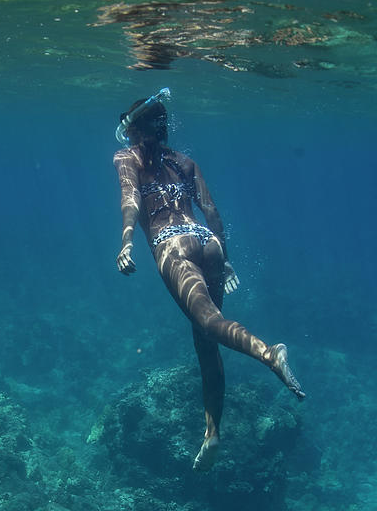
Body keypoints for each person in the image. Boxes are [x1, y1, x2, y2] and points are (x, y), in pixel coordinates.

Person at [112, 90, 305, 472]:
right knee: (205, 339)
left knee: (210, 325)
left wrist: (126, 242)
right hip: (206, 242)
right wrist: (227, 261)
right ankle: (212, 432)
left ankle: (270, 354)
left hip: (173, 247)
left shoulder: (126, 157)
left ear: (133, 131)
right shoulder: (185, 161)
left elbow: (131, 199)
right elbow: (212, 213)